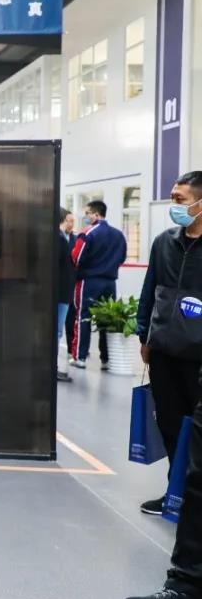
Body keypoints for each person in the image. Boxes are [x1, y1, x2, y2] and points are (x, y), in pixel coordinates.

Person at [135, 172, 202, 517]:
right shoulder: (164, 242)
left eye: (180, 199)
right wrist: (144, 335)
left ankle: (195, 499)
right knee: (171, 426)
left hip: (197, 358)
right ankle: (175, 494)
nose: (173, 205)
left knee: (198, 432)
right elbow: (150, 290)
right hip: (163, 353)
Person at [70, 200, 128, 370]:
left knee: (83, 317)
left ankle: (80, 357)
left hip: (88, 281)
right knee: (106, 319)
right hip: (110, 282)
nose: (86, 217)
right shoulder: (119, 235)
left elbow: (76, 258)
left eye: (87, 213)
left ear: (96, 214)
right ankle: (106, 359)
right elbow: (122, 257)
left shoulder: (87, 233)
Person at [57, 208, 77, 382]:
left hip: (64, 292)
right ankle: (52, 368)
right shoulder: (59, 239)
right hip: (60, 292)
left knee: (58, 331)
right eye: (69, 220)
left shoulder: (68, 238)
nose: (72, 224)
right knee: (56, 331)